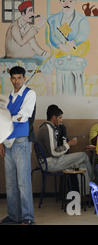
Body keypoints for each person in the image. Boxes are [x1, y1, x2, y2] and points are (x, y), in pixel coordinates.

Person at [0, 66, 36, 225]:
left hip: (21, 141)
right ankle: (14, 216)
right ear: (10, 79)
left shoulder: (30, 93)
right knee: (10, 183)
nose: (16, 81)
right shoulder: (9, 96)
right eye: (13, 78)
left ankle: (28, 217)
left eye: (19, 78)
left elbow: (24, 115)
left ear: (24, 78)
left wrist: (9, 118)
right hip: (8, 142)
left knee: (23, 181)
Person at [36, 104, 93, 196]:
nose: (61, 120)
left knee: (80, 163)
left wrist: (66, 145)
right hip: (50, 163)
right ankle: (93, 181)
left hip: (49, 161)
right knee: (83, 155)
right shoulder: (48, 128)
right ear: (53, 117)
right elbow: (54, 152)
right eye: (60, 118)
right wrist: (69, 144)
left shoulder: (45, 127)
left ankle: (85, 194)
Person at [45, 0, 90, 96]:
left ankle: (77, 97)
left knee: (76, 76)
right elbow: (50, 37)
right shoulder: (52, 19)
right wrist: (60, 45)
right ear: (60, 2)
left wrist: (74, 42)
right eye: (64, 1)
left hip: (76, 52)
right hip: (60, 53)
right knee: (61, 76)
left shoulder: (82, 19)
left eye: (70, 1)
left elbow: (83, 34)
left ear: (75, 2)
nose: (67, 4)